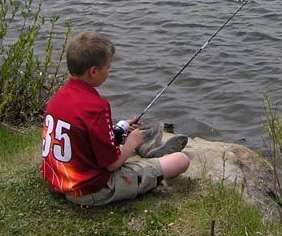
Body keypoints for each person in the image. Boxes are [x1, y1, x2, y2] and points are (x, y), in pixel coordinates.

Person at [40, 31, 190, 206]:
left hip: (57, 179)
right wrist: (131, 143)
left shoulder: (59, 96)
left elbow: (82, 135)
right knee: (181, 160)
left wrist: (122, 127)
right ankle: (148, 153)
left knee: (123, 138)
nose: (110, 71)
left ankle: (148, 150)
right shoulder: (97, 107)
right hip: (89, 190)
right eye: (108, 67)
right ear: (94, 71)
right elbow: (111, 165)